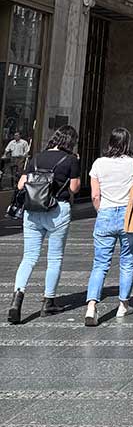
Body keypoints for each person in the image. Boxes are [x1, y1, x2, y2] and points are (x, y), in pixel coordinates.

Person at [7, 125, 80, 324]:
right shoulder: (71, 160)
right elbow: (74, 188)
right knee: (54, 257)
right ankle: (48, 302)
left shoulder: (36, 157)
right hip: (57, 210)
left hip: (32, 211)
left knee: (29, 257)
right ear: (70, 141)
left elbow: (21, 184)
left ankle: (17, 299)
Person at [84, 127, 133, 325]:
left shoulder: (99, 163)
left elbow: (95, 195)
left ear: (110, 141)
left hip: (106, 214)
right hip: (129, 216)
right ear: (128, 142)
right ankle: (123, 305)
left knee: (100, 263)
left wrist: (101, 210)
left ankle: (92, 306)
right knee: (127, 261)